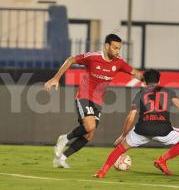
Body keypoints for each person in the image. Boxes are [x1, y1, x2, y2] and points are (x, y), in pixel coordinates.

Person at [44, 34, 143, 168]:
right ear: (107, 46)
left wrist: (150, 80)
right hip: (84, 96)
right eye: (115, 48)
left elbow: (136, 73)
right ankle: (65, 138)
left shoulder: (119, 62)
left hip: (98, 101)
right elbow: (70, 60)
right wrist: (56, 78)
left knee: (89, 134)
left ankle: (61, 158)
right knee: (90, 126)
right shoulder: (93, 57)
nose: (117, 51)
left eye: (119, 48)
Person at [94, 69, 179, 178]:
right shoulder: (168, 92)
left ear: (144, 82)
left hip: (142, 131)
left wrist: (123, 135)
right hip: (163, 131)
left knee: (120, 149)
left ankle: (102, 172)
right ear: (158, 81)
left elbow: (131, 117)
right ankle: (162, 160)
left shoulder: (139, 94)